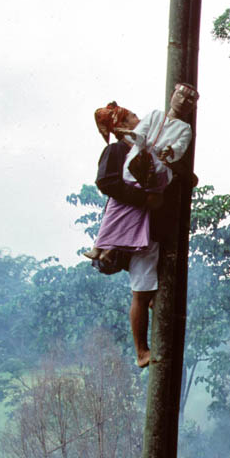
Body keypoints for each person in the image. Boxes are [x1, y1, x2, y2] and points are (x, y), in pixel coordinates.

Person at [90, 102, 167, 368]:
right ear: (121, 126)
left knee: (146, 289)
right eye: (133, 116)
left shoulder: (142, 148)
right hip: (132, 227)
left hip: (150, 226)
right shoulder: (117, 150)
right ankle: (141, 350)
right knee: (140, 292)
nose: (138, 118)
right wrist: (144, 198)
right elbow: (107, 182)